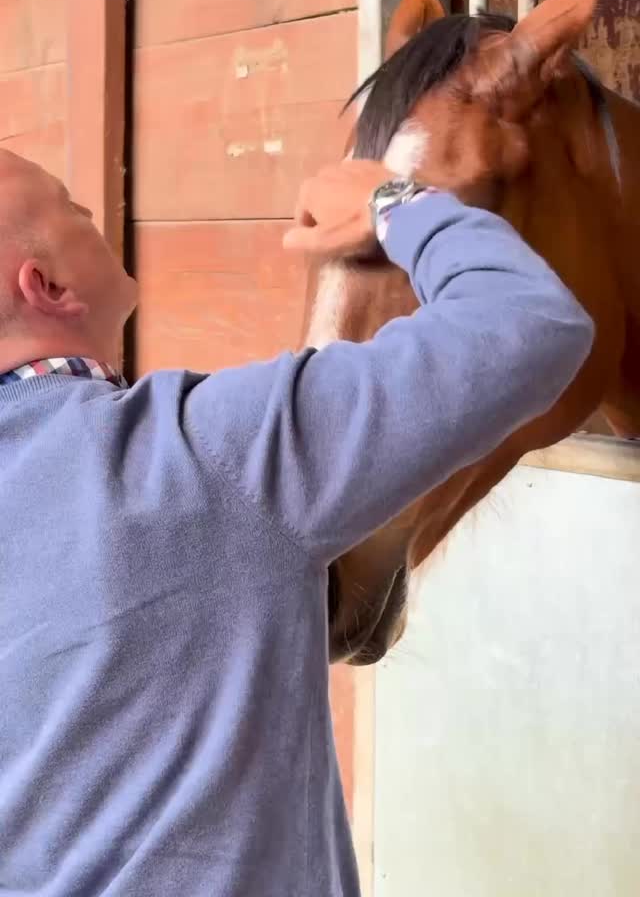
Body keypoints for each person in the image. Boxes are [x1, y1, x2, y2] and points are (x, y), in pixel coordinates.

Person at [0, 149, 592, 897]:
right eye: (66, 203)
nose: (88, 209)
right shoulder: (201, 452)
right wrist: (395, 199)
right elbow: (526, 322)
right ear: (46, 287)